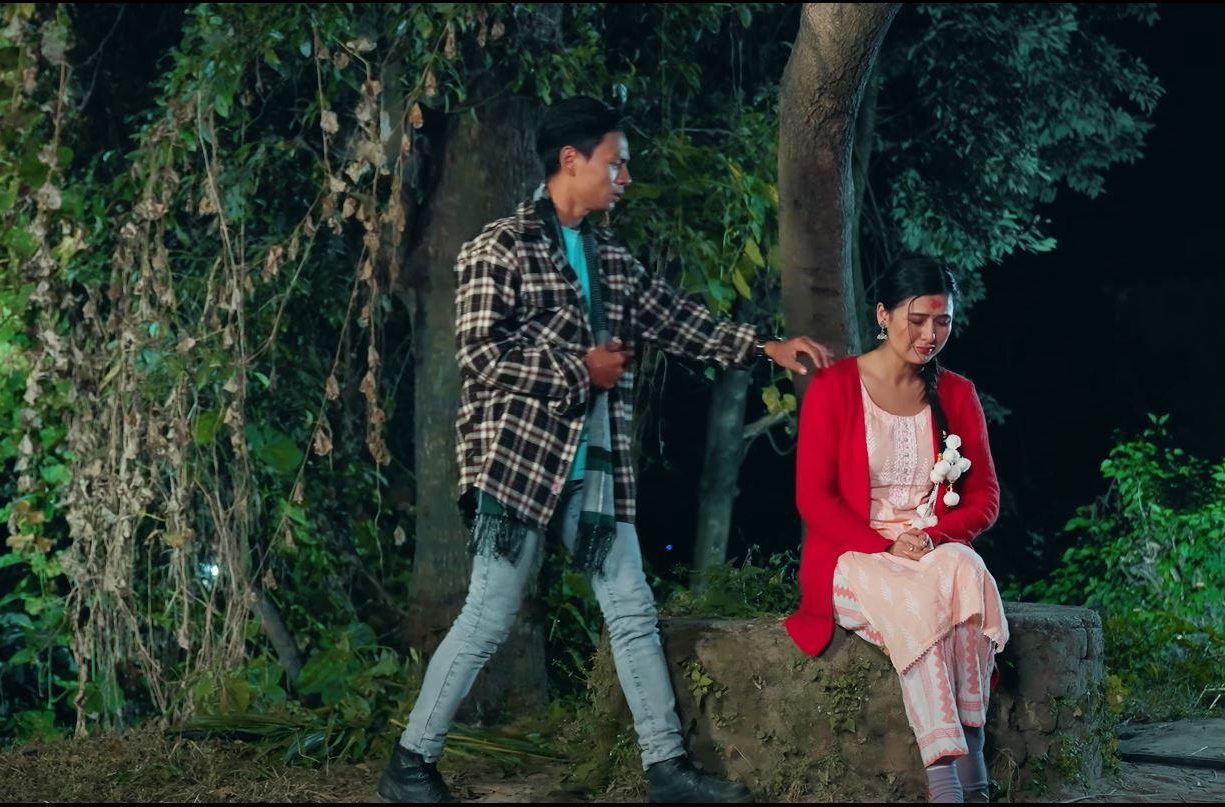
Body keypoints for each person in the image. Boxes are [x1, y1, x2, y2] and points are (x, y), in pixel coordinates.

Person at [377, 96, 834, 804]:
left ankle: (666, 768)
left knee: (630, 606)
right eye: (615, 164)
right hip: (519, 464)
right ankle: (410, 763)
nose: (625, 178)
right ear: (571, 161)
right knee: (489, 614)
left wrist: (764, 346)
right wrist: (577, 369)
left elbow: (675, 318)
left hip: (593, 469)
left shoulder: (610, 260)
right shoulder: (499, 246)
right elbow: (480, 356)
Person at [784, 254, 1008, 803]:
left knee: (966, 569)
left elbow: (985, 497)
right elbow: (813, 497)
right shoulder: (835, 387)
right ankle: (946, 780)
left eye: (943, 322)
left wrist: (933, 538)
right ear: (883, 315)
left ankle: (973, 755)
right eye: (918, 320)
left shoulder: (957, 393)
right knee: (922, 604)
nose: (931, 335)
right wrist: (884, 543)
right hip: (854, 556)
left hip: (930, 549)